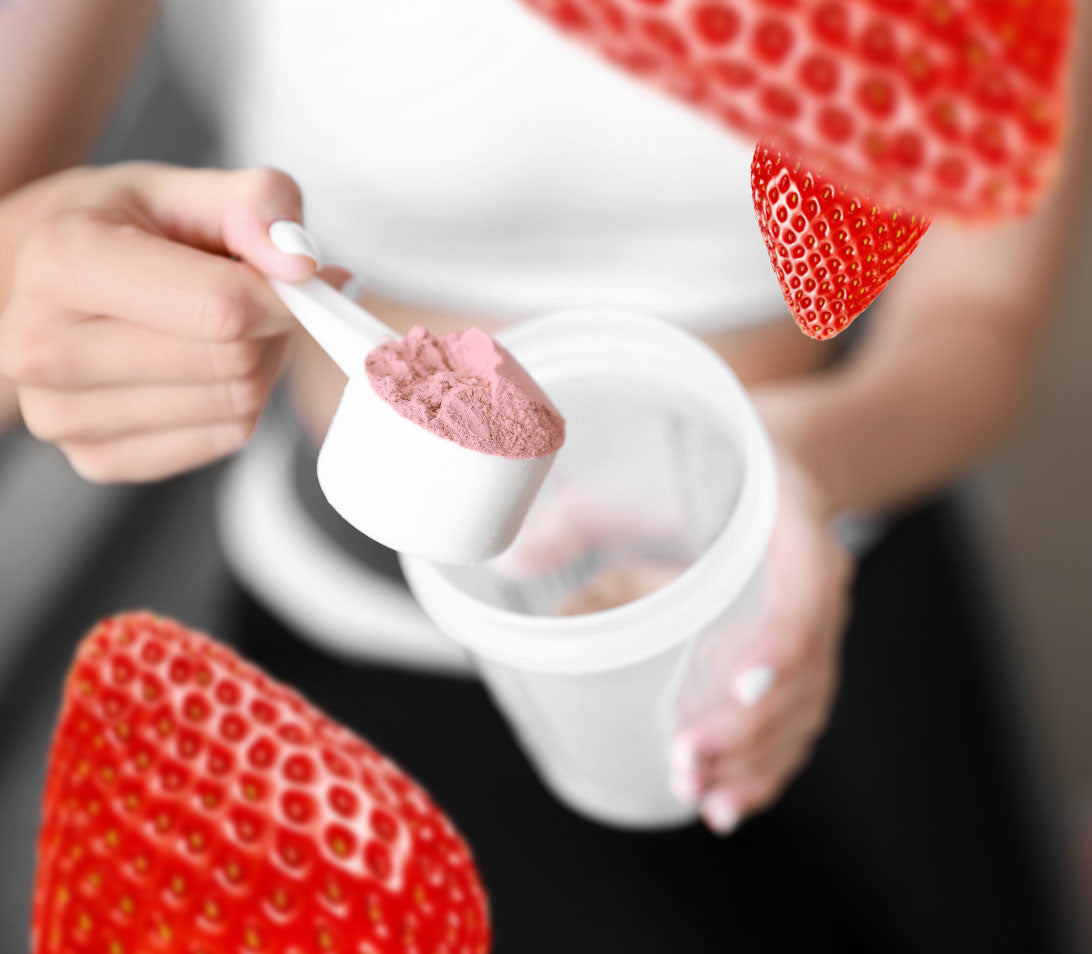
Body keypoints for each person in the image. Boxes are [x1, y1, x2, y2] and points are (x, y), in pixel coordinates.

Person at [0, 0, 1087, 851]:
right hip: (362, 645)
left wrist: (797, 468)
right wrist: (26, 280)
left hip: (822, 564)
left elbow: (979, 318)